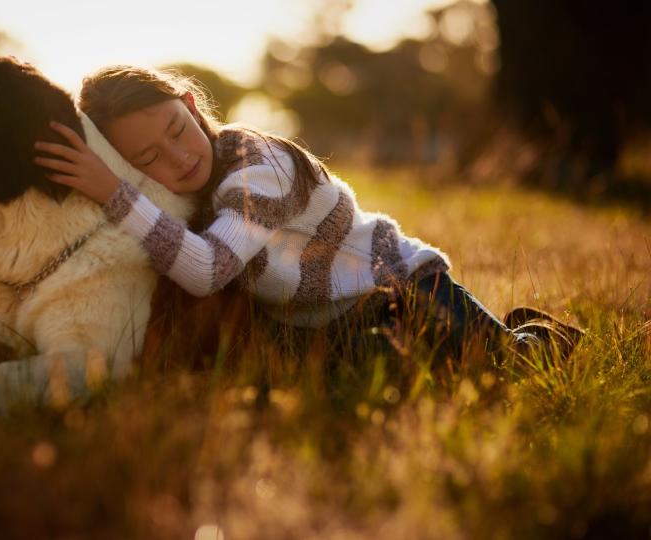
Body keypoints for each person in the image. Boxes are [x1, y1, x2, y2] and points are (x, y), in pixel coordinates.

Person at [33, 65, 582, 365]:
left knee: (509, 369)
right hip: (324, 326)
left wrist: (113, 193)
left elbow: (207, 270)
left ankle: (536, 337)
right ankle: (498, 327)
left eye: (177, 130)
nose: (177, 158)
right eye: (148, 158)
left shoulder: (257, 165)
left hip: (401, 289)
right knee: (396, 375)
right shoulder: (176, 196)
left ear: (193, 106)